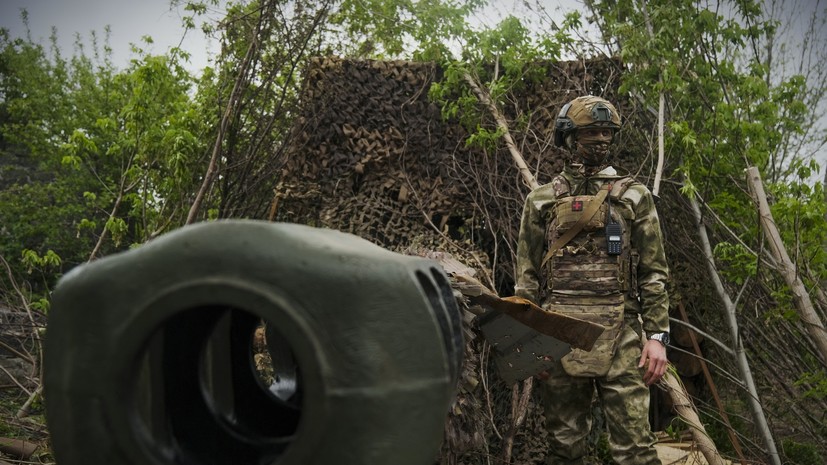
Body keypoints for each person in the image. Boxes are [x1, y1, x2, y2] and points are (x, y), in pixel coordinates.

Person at [514, 95, 670, 465]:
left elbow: (653, 273)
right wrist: (534, 342)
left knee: (635, 450)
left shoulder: (634, 195)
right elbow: (527, 278)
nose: (600, 139)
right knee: (565, 446)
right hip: (559, 332)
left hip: (623, 336)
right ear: (569, 137)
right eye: (591, 132)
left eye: (606, 132)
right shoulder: (541, 200)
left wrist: (658, 338)